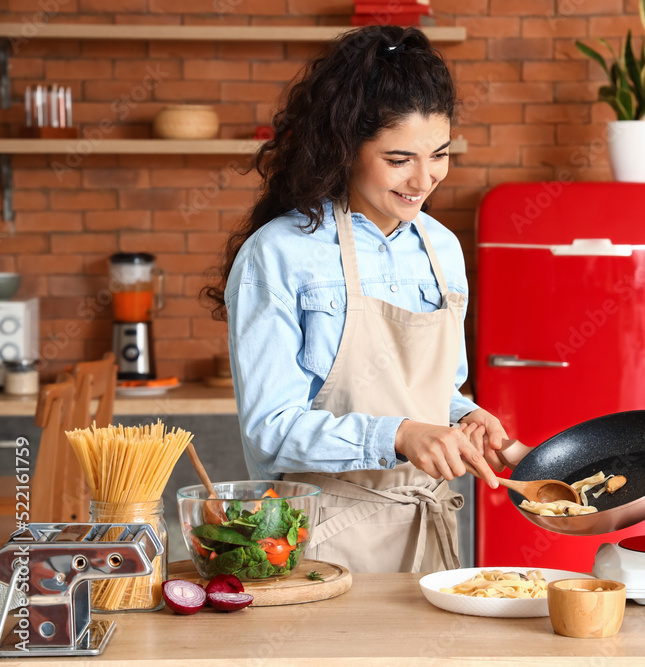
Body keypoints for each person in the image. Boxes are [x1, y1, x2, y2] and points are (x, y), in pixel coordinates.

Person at [203, 25, 508, 574]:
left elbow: (436, 393)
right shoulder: (278, 254)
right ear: (345, 148)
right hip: (320, 543)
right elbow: (271, 432)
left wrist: (465, 418)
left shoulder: (440, 248)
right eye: (398, 159)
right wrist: (399, 435)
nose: (424, 179)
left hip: (429, 538)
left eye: (438, 154)